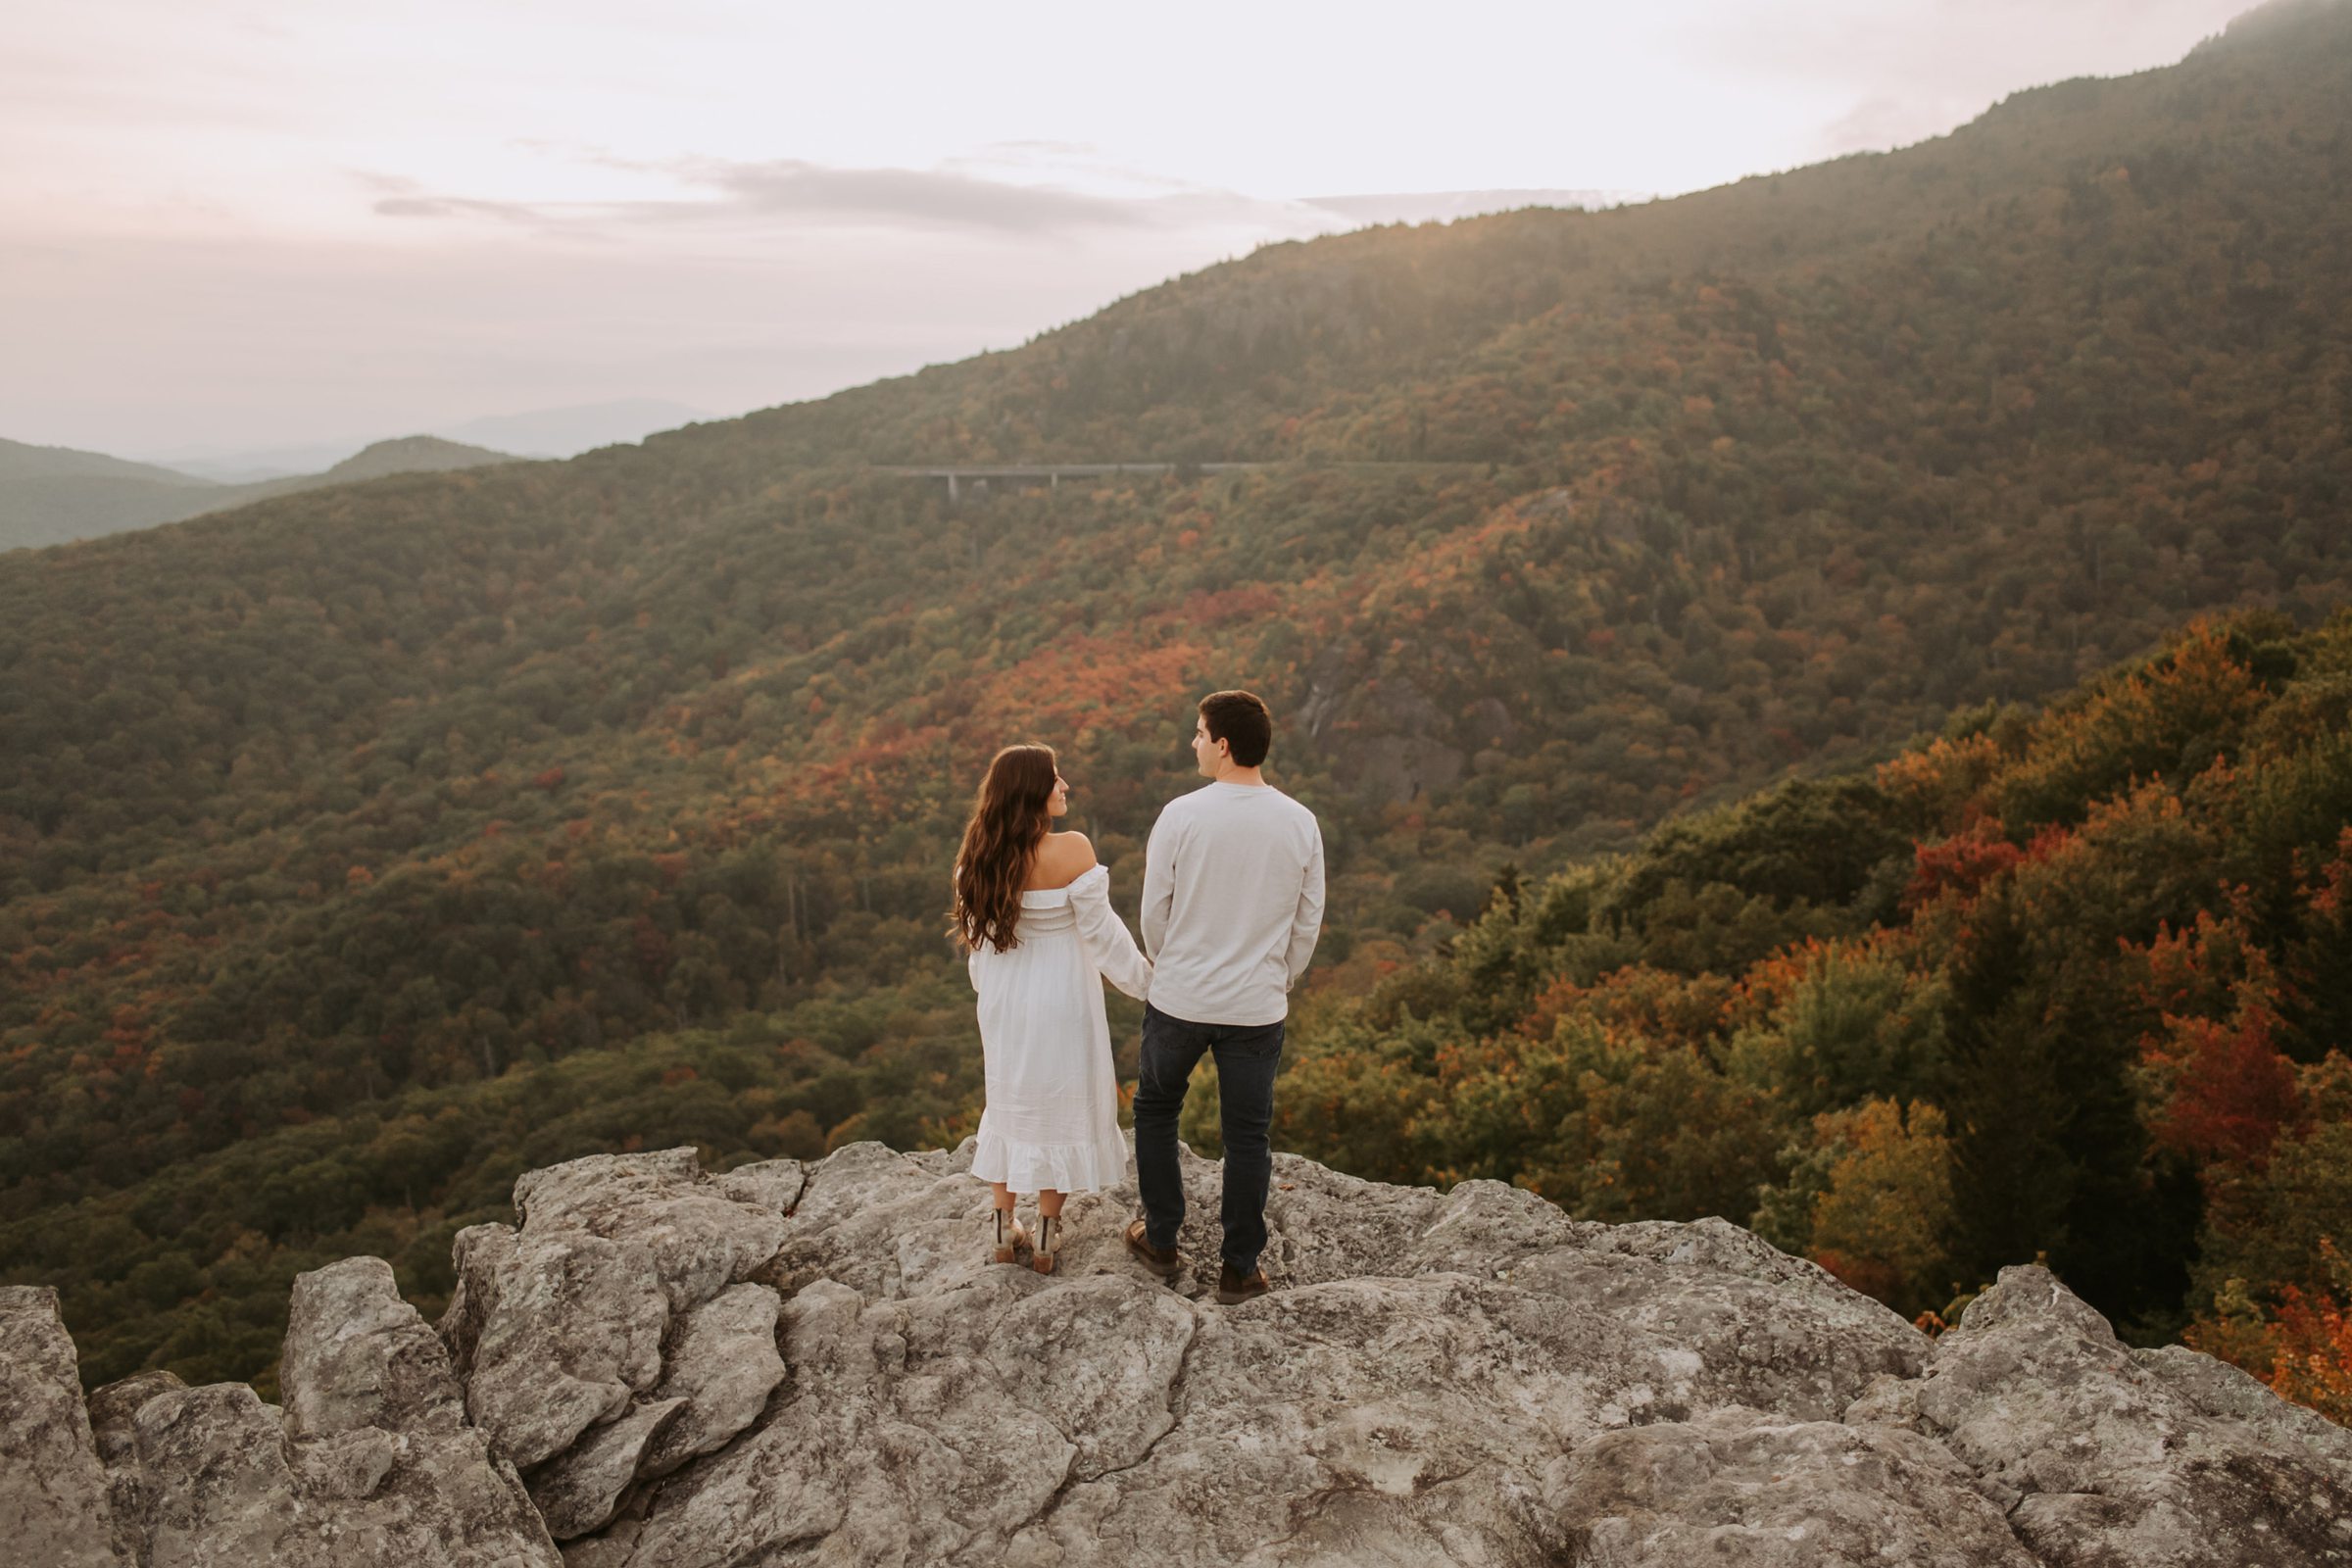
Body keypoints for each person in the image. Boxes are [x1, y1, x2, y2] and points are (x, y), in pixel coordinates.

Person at [1125, 691, 1325, 1305]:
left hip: (1181, 997)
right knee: (1247, 1138)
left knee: (1157, 1109)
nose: (1193, 741)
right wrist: (1280, 976)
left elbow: (1153, 910)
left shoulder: (1181, 815)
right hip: (1256, 1007)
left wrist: (1172, 963)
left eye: (1198, 732)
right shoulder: (1299, 821)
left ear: (1223, 745)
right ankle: (1239, 1268)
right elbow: (1307, 919)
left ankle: (1160, 1238)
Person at [953, 743, 1151, 1274]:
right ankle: (1044, 1232)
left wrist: (991, 997)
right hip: (1063, 996)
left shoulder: (978, 854)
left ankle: (1001, 1221)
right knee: (1061, 1107)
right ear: (1031, 791)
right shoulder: (1073, 850)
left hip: (1005, 999)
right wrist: (1151, 984)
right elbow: (1105, 937)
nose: (1065, 787)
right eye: (1056, 778)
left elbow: (979, 944)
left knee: (1010, 1101)